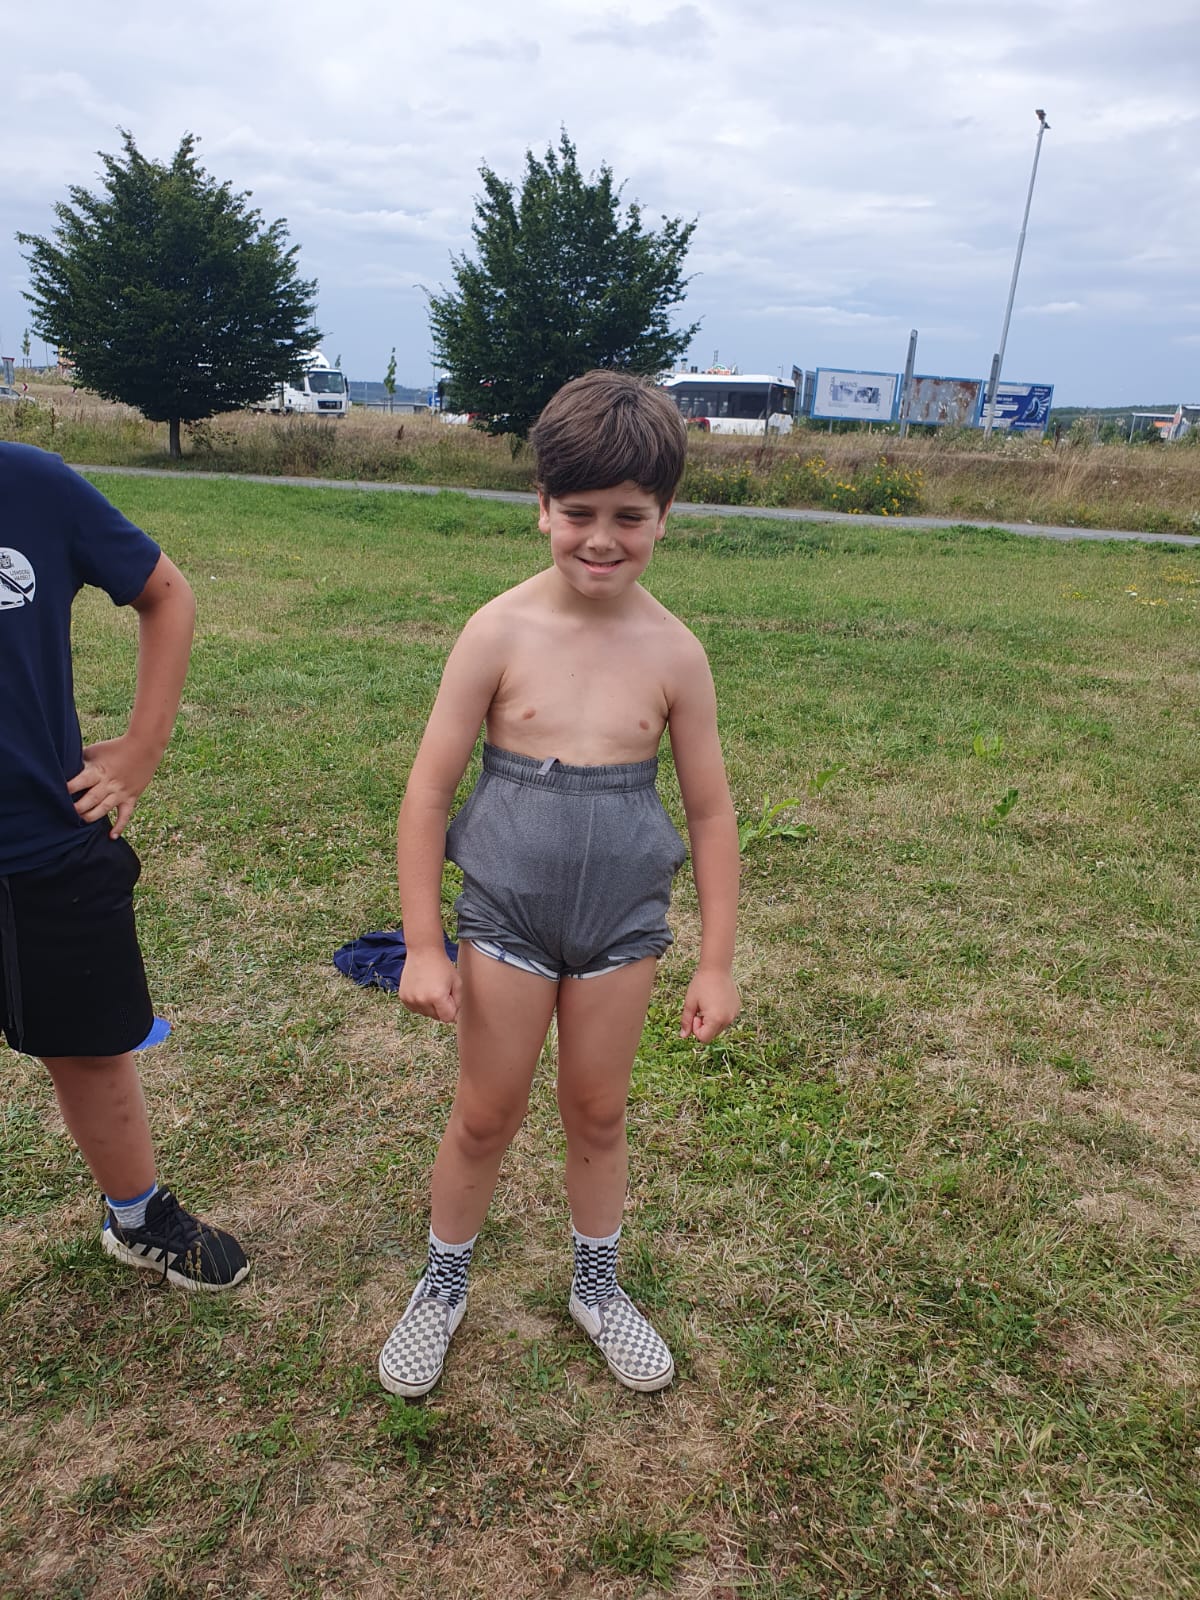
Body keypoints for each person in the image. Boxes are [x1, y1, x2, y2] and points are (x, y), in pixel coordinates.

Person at [378, 371, 740, 1398]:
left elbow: (711, 813)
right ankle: (442, 1285)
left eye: (629, 516)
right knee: (484, 1115)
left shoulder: (677, 654)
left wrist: (716, 961)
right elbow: (428, 789)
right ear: (540, 505)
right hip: (507, 919)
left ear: (665, 515)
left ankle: (598, 1287)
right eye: (578, 513)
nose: (601, 539)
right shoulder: (497, 632)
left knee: (598, 1112)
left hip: (622, 927)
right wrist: (422, 944)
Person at [0, 442, 248, 1292]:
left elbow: (166, 592)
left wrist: (143, 748)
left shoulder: (32, 485)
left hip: (47, 844)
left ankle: (137, 1218)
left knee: (92, 1051)